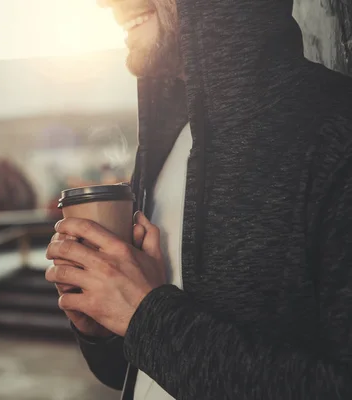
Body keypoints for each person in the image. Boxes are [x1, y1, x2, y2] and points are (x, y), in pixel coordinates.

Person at [44, 0, 352, 399]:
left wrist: (146, 318)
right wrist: (107, 327)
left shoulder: (336, 136)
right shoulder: (169, 145)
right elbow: (146, 373)